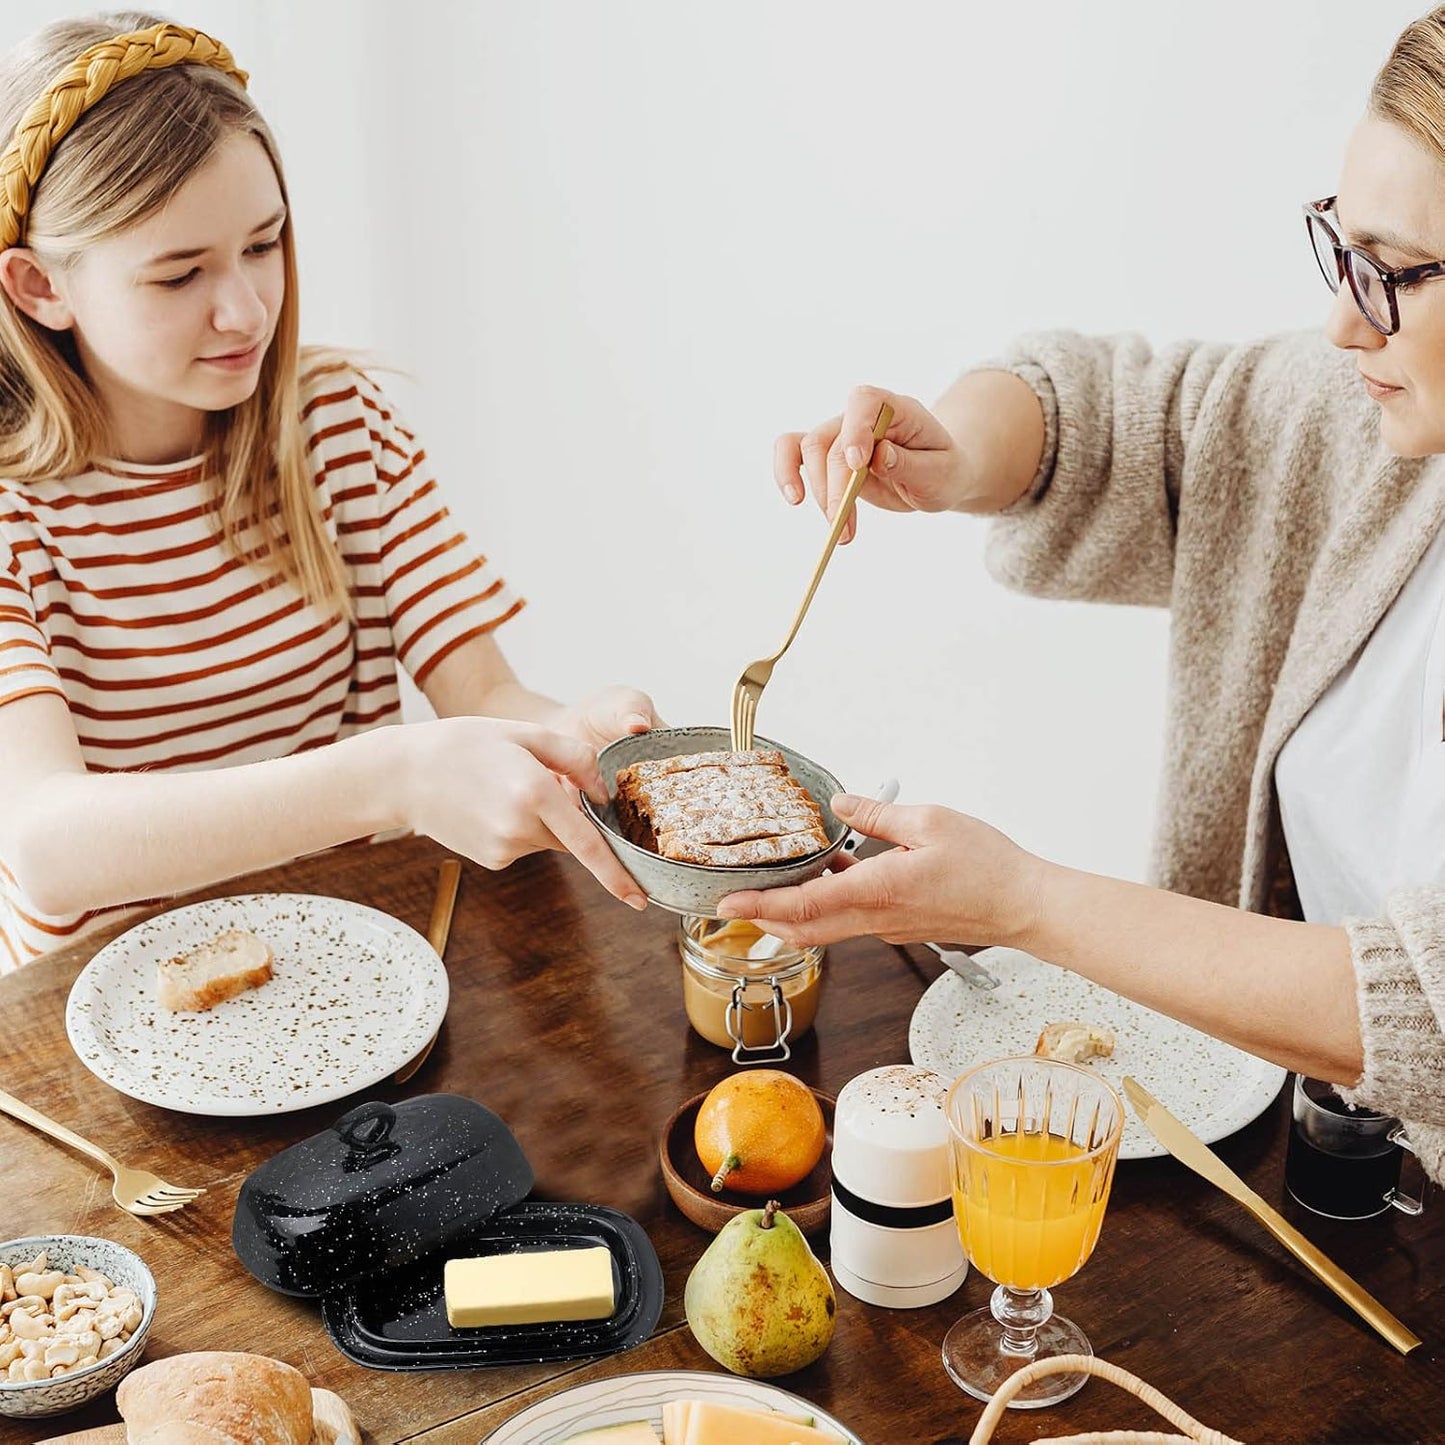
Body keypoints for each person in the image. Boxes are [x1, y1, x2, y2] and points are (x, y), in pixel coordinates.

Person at [720, 7, 1445, 1182]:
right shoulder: (1375, 429)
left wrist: (1020, 900)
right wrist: (955, 447)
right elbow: (1123, 413)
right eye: (1335, 245)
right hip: (1315, 1166)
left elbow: (1425, 1008)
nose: (1339, 319)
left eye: (1391, 272)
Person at [0, 13, 658, 971]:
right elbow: (45, 845)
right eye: (179, 274)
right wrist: (392, 778)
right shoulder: (17, 515)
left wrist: (566, 739)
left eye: (263, 245)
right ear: (37, 288)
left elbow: (485, 691)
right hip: (106, 1016)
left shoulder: (338, 421)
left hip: (351, 977)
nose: (246, 310)